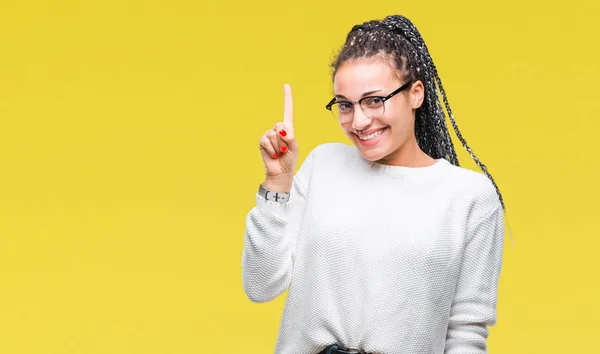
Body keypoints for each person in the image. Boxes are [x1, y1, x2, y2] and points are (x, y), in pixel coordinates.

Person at [242, 14, 507, 354]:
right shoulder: (323, 165)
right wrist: (277, 183)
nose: (359, 121)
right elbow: (260, 284)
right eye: (345, 105)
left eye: (374, 100)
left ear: (415, 94)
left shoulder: (470, 197)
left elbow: (466, 333)